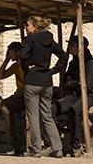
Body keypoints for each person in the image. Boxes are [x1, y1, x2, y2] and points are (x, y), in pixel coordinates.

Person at [20, 16, 67, 158]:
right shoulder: (49, 39)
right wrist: (53, 70)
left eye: (27, 25)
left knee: (33, 117)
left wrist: (28, 65)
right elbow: (63, 56)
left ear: (34, 26)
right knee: (47, 116)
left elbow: (22, 54)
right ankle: (58, 149)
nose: (25, 28)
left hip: (33, 81)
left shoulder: (30, 40)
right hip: (47, 82)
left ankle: (36, 149)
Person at [58, 36, 93, 156]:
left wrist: (73, 83)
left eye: (72, 45)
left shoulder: (91, 64)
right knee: (53, 108)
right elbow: (65, 82)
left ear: (80, 47)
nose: (69, 48)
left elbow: (87, 86)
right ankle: (54, 144)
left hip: (90, 95)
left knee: (74, 110)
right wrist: (74, 83)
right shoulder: (73, 63)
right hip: (75, 94)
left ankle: (76, 145)